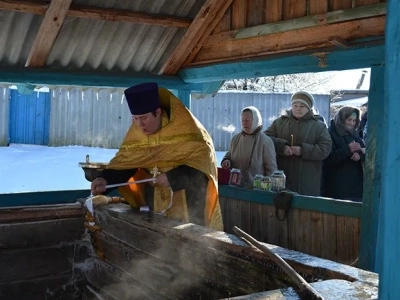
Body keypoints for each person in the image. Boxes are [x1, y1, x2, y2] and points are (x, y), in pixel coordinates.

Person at [91, 82, 223, 230]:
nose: (139, 125)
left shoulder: (188, 131)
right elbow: (127, 163)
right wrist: (106, 179)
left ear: (158, 112)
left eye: (144, 118)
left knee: (188, 248)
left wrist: (173, 177)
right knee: (158, 244)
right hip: (155, 203)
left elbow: (203, 167)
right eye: (135, 119)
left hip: (188, 203)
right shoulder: (137, 133)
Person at [264, 91, 332, 196]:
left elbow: (325, 148)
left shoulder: (319, 126)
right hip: (281, 178)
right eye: (295, 105)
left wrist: (302, 150)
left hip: (307, 183)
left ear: (309, 108)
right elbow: (266, 138)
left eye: (302, 106)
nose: (298, 108)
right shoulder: (280, 122)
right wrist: (281, 146)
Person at [221, 106, 277, 187]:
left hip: (256, 191)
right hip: (235, 188)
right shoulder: (235, 139)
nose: (244, 123)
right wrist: (226, 161)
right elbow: (229, 155)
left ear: (255, 120)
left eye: (247, 120)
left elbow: (271, 169)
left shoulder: (265, 141)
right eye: (242, 120)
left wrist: (269, 191)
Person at [322, 106, 365, 202]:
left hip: (356, 188)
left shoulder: (355, 135)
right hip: (337, 187)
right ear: (342, 118)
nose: (352, 123)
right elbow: (329, 158)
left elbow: (364, 152)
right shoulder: (330, 134)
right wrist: (347, 149)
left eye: (354, 121)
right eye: (349, 119)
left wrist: (360, 156)